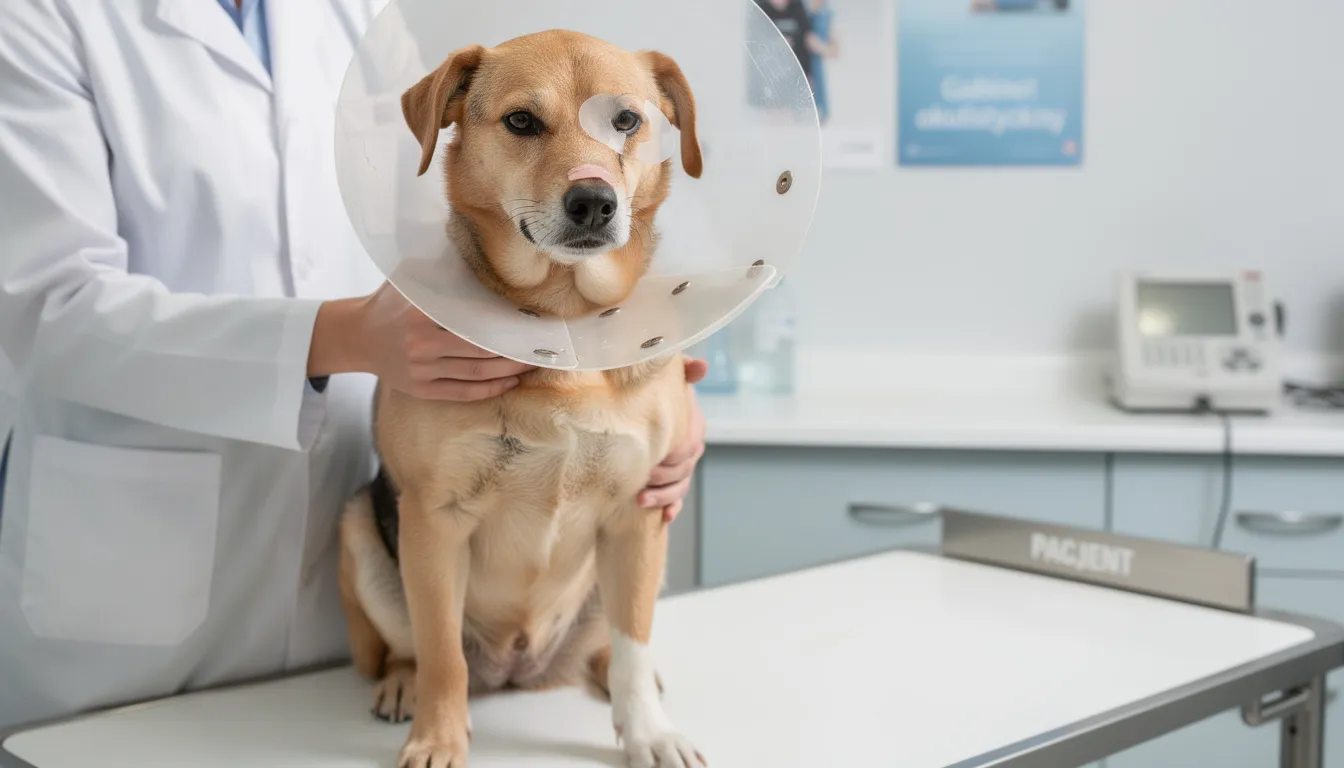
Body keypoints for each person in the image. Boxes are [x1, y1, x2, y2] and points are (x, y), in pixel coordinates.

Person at [0, 0, 708, 731]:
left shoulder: (355, 12)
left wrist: (645, 380)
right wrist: (335, 337)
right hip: (129, 569)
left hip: (362, 591)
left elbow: (465, 214)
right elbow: (44, 308)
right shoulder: (40, 17)